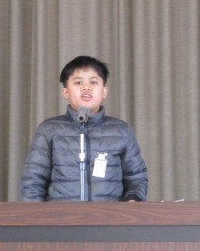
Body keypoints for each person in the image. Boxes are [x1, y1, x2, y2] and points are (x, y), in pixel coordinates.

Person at [21, 55, 148, 202]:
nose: (86, 87)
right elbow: (33, 182)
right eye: (78, 82)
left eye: (93, 82)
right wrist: (37, 214)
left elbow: (136, 178)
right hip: (59, 216)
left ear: (104, 91)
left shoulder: (122, 131)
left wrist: (133, 201)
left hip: (108, 215)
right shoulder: (49, 130)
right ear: (65, 92)